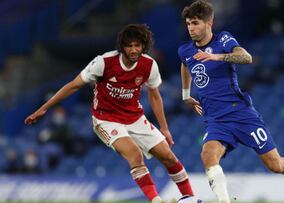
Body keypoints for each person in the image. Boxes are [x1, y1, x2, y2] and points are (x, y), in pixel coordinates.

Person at [25, 24, 193, 203]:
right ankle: (156, 200)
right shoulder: (104, 62)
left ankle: (190, 198)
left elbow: (155, 95)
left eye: (138, 45)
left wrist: (165, 128)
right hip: (106, 120)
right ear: (122, 46)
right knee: (135, 155)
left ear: (144, 45)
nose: (134, 49)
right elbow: (73, 85)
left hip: (134, 117)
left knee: (168, 156)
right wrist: (44, 108)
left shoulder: (149, 65)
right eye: (129, 45)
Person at [178, 1, 284, 203]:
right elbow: (185, 65)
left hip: (240, 113)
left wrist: (217, 57)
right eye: (188, 23)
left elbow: (246, 57)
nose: (191, 28)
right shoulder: (185, 50)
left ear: (209, 23)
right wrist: (185, 94)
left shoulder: (222, 39)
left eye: (196, 23)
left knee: (275, 165)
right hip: (215, 119)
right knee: (208, 155)